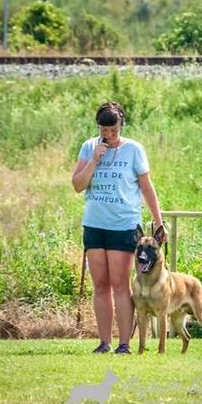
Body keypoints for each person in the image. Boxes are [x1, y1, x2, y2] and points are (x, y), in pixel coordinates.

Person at [71, 101, 167, 354]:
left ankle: (124, 344)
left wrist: (159, 222)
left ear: (121, 125)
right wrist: (93, 160)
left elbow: (147, 188)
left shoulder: (134, 149)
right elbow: (78, 185)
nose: (108, 135)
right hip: (95, 225)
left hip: (123, 226)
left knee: (120, 285)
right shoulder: (88, 147)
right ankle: (104, 342)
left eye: (113, 130)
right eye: (104, 130)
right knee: (100, 285)